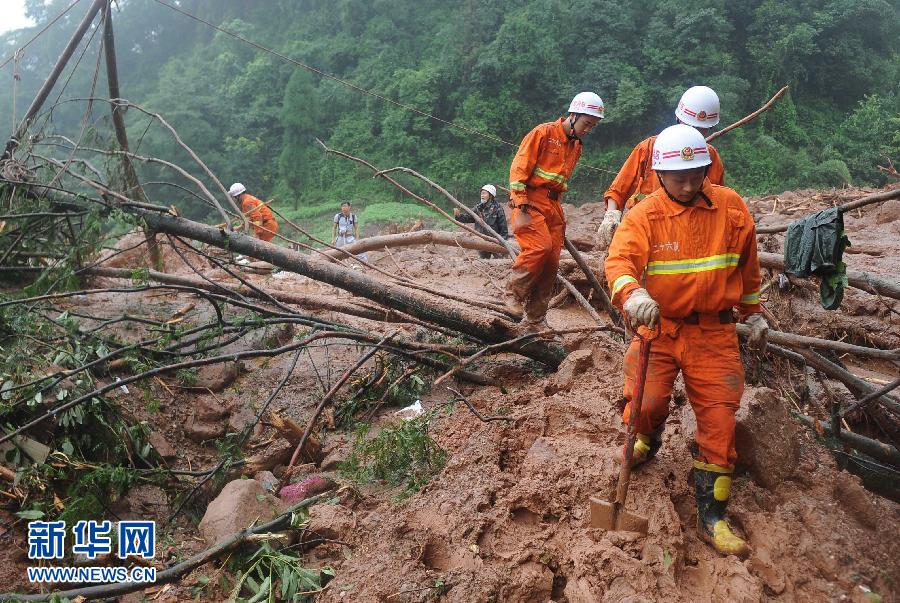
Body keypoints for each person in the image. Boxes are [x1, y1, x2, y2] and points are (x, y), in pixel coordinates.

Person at [604, 124, 769, 558]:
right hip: (659, 329)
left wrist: (753, 314)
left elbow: (748, 271)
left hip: (714, 333)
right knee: (646, 401)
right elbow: (619, 261)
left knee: (720, 421)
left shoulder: (731, 209)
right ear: (658, 174)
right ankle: (645, 438)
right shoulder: (643, 215)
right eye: (680, 177)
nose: (690, 183)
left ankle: (712, 516)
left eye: (698, 173)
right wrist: (632, 292)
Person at [506, 91, 605, 333]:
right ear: (573, 115)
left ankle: (535, 321)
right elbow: (519, 167)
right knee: (538, 248)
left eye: (593, 126)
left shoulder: (576, 146)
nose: (588, 129)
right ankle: (513, 295)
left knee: (551, 263)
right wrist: (520, 202)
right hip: (530, 201)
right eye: (586, 123)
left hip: (554, 205)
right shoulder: (544, 133)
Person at [598, 86, 726, 246]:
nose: (694, 134)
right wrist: (611, 216)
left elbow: (716, 202)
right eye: (690, 127)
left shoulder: (710, 157)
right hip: (646, 228)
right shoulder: (650, 148)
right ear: (678, 120)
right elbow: (618, 190)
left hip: (689, 233)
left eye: (702, 130)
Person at [454, 184, 509, 258]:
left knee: (500, 261)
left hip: (495, 241)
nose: (482, 195)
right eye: (481, 193)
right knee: (484, 262)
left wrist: (503, 240)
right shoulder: (478, 208)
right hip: (481, 240)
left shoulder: (497, 208)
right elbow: (469, 218)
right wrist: (459, 216)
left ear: (491, 195)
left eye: (484, 193)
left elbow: (503, 225)